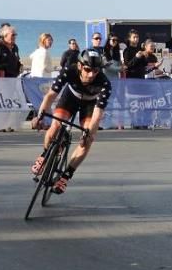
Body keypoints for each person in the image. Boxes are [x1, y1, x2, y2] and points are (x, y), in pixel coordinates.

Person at [29, 50, 111, 194]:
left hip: (90, 105)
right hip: (70, 97)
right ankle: (45, 155)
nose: (91, 74)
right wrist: (39, 116)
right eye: (87, 69)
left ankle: (66, 176)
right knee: (55, 125)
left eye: (96, 70)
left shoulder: (104, 83)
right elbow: (50, 96)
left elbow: (97, 115)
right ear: (80, 66)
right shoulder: (69, 70)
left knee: (87, 141)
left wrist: (88, 134)